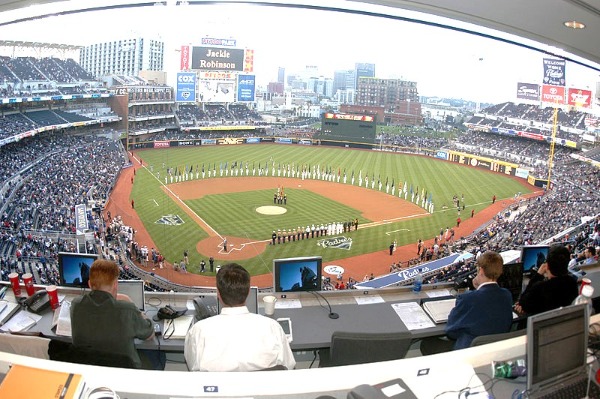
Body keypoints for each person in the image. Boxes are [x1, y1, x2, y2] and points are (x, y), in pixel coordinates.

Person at [184, 263, 296, 371]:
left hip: (219, 390)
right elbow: (288, 367)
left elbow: (193, 367)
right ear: (248, 292)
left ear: (218, 294)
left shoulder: (197, 331)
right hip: (262, 390)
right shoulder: (273, 327)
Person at [70, 259, 161, 369]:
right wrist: (131, 304)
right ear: (115, 284)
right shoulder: (127, 309)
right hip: (124, 372)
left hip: (92, 369)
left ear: (89, 284)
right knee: (160, 356)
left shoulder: (76, 305)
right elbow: (150, 335)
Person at [420, 251, 513, 354]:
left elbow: (451, 331)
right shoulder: (507, 295)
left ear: (481, 270)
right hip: (492, 352)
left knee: (426, 344)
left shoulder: (468, 298)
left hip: (467, 352)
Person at [515, 244, 578, 316]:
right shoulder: (572, 282)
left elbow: (522, 303)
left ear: (547, 266)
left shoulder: (539, 288)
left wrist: (538, 275)